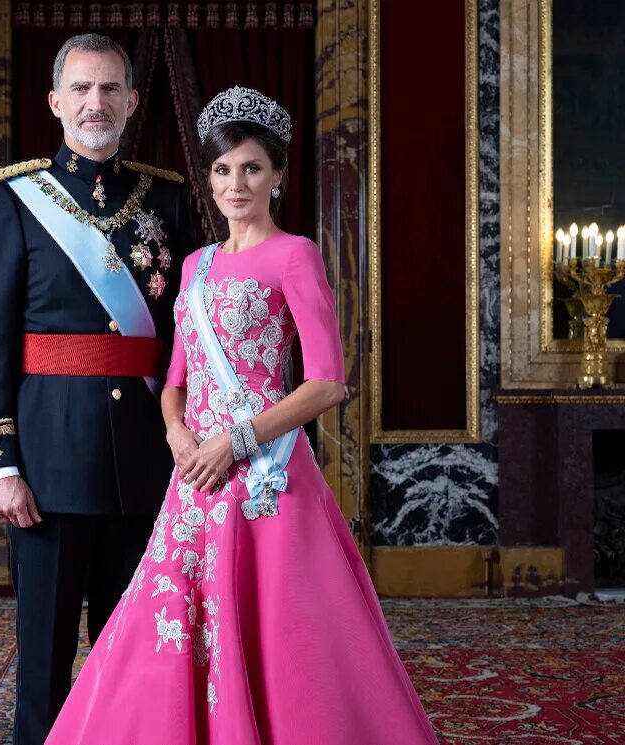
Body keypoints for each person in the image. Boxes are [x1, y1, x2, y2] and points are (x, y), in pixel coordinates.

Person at [45, 87, 439, 744]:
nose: (236, 184)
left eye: (252, 168)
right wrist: (178, 435)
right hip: (196, 477)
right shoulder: (195, 266)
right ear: (209, 177)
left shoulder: (295, 254)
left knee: (282, 635)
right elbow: (174, 381)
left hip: (266, 476)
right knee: (166, 624)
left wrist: (236, 440)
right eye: (223, 169)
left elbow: (328, 383)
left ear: (277, 175)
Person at [0, 34, 196, 745]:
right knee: (45, 658)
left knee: (143, 651)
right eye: (82, 89)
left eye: (111, 89)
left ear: (132, 101)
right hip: (49, 465)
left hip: (147, 460)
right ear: (56, 102)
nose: (97, 102)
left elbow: (188, 335)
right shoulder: (14, 197)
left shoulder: (168, 198)